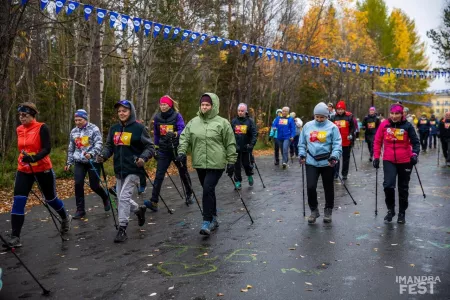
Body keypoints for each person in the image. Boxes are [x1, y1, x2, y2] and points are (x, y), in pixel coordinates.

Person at [5, 102, 72, 248]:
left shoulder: (42, 127)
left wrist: (34, 158)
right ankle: (15, 237)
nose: (21, 118)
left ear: (33, 115)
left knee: (50, 199)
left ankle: (65, 218)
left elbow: (47, 148)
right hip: (24, 169)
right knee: (18, 201)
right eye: (20, 115)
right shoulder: (19, 129)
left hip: (42, 169)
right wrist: (26, 159)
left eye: (25, 115)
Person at [177, 93, 237, 235]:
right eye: (202, 105)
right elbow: (184, 138)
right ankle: (214, 218)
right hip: (199, 163)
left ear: (213, 106)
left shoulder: (222, 123)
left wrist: (231, 161)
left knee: (207, 188)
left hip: (217, 163)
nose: (204, 107)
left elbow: (230, 143)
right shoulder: (193, 122)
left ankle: (206, 221)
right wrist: (181, 152)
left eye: (207, 105)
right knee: (208, 190)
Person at [98, 100, 154, 243]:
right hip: (119, 169)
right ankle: (138, 209)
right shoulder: (114, 128)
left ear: (131, 112)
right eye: (119, 111)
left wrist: (143, 158)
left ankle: (122, 229)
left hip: (134, 168)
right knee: (120, 197)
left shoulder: (139, 128)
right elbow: (109, 146)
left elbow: (150, 147)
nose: (121, 113)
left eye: (124, 110)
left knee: (122, 198)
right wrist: (103, 155)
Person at [144, 95, 193, 211]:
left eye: (165, 104)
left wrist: (175, 133)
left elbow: (183, 130)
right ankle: (154, 201)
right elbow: (156, 134)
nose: (162, 106)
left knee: (183, 173)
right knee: (159, 176)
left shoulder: (177, 116)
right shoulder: (157, 117)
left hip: (176, 149)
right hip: (163, 150)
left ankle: (189, 193)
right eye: (161, 104)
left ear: (170, 105)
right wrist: (155, 148)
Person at [373, 103, 420, 224]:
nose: (394, 116)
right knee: (388, 185)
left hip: (405, 160)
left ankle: (402, 213)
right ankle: (391, 210)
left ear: (402, 114)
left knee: (403, 188)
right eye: (392, 113)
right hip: (389, 160)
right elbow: (377, 141)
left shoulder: (407, 126)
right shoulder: (384, 124)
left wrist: (414, 154)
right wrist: (376, 157)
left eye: (397, 113)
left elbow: (415, 143)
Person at [299, 102, 342, 224]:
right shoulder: (307, 126)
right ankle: (314, 210)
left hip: (327, 162)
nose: (319, 119)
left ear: (327, 116)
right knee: (311, 186)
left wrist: (334, 156)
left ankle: (328, 210)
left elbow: (337, 144)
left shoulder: (332, 127)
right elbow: (302, 143)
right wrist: (302, 154)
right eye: (317, 116)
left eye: (322, 117)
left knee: (328, 187)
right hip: (311, 161)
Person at [65, 109, 110, 219]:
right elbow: (71, 148)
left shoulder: (94, 129)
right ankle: (80, 210)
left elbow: (99, 143)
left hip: (93, 161)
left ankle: (105, 197)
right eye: (75, 120)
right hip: (79, 161)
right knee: (78, 183)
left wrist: (92, 153)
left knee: (94, 185)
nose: (77, 122)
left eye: (80, 120)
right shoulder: (74, 131)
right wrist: (69, 162)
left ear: (85, 119)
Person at [231, 103, 257, 190]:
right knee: (236, 166)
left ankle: (249, 175)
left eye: (242, 111)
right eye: (239, 111)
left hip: (246, 147)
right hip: (236, 148)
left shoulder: (250, 121)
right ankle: (238, 182)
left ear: (245, 111)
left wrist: (251, 144)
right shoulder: (234, 121)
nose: (240, 112)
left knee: (246, 164)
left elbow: (254, 134)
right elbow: (230, 134)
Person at [331, 100, 355, 180]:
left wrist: (350, 134)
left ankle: (344, 174)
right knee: (336, 158)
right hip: (336, 142)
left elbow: (352, 127)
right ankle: (335, 173)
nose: (340, 111)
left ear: (344, 109)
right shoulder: (333, 117)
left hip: (346, 141)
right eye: (338, 109)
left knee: (345, 159)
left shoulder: (349, 116)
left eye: (341, 109)